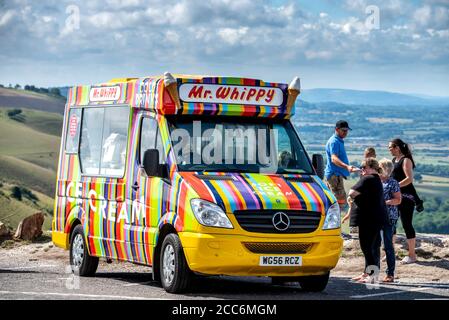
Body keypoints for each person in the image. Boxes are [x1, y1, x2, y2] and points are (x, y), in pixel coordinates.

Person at [347, 158, 389, 283]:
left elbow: (351, 192)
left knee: (366, 247)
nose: (362, 170)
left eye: (363, 167)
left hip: (369, 219)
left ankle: (372, 275)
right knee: (372, 247)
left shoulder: (368, 178)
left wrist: (353, 198)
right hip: (377, 218)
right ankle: (367, 273)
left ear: (371, 167)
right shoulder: (376, 179)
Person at [389, 138, 422, 264]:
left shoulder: (406, 160)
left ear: (397, 147)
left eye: (391, 147)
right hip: (396, 197)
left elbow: (409, 179)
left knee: (407, 224)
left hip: (407, 198)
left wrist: (394, 186)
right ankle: (390, 253)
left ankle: (412, 255)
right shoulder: (393, 160)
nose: (389, 150)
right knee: (391, 224)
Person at [325, 120, 359, 210]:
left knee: (339, 202)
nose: (346, 133)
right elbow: (334, 158)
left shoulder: (338, 141)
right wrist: (347, 167)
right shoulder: (334, 142)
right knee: (336, 203)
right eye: (343, 130)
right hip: (334, 176)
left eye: (347, 130)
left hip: (336, 176)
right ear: (337, 129)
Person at [379, 158, 402, 283]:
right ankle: (372, 272)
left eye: (379, 167)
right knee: (374, 245)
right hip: (376, 217)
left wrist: (385, 202)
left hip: (389, 217)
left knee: (388, 246)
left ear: (385, 169)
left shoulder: (392, 182)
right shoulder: (376, 181)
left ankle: (390, 274)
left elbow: (398, 200)